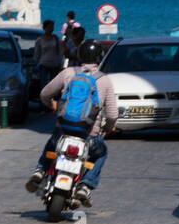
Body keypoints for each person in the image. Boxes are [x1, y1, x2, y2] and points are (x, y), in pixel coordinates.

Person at [25, 40, 118, 207]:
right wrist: (108, 127)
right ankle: (85, 185)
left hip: (64, 129)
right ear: (100, 58)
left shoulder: (68, 73)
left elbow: (44, 93)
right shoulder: (104, 80)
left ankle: (40, 170)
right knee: (101, 153)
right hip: (88, 135)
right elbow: (112, 114)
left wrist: (51, 105)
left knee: (52, 144)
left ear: (79, 55)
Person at [33, 20, 63, 87]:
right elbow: (36, 54)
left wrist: (61, 64)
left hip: (54, 65)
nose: (51, 29)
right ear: (44, 28)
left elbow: (60, 52)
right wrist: (34, 65)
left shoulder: (56, 38)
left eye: (52, 27)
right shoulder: (39, 40)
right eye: (49, 27)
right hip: (44, 65)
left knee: (54, 83)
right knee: (43, 83)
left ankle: (53, 96)